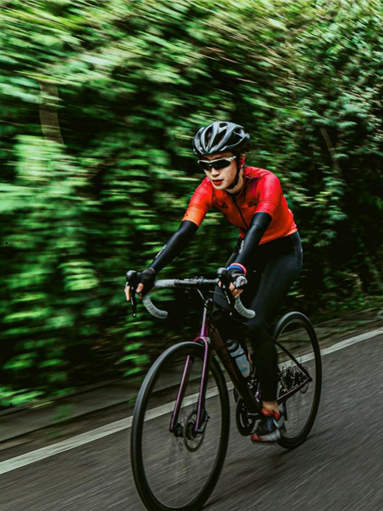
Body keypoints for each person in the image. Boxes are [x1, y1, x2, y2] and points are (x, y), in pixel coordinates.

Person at [124, 121, 302, 443]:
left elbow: (259, 227)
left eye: (220, 163)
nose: (213, 172)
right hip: (246, 251)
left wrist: (237, 267)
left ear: (240, 160)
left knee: (257, 322)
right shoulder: (208, 190)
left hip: (280, 250)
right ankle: (249, 371)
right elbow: (185, 231)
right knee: (217, 313)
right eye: (205, 166)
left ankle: (271, 410)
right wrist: (150, 271)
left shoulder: (266, 182)